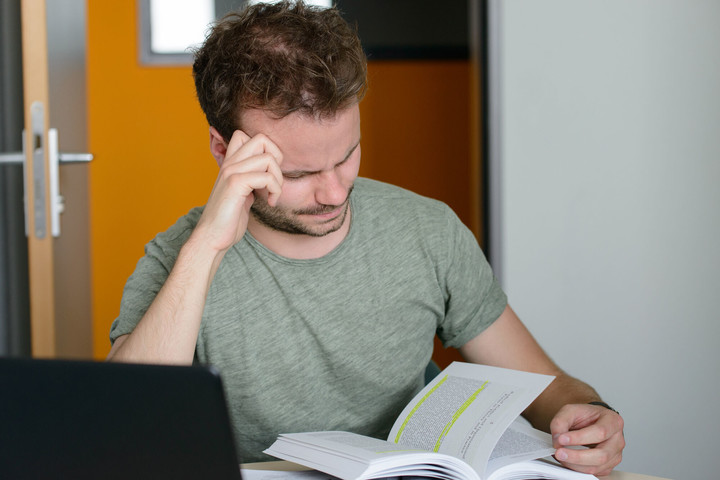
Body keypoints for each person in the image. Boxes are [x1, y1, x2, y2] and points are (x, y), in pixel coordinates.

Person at [107, 1, 624, 475]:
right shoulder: (180, 255)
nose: (334, 192)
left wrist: (590, 417)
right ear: (226, 152)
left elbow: (546, 385)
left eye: (347, 155)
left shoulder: (427, 230)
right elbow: (126, 420)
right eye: (299, 173)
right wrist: (208, 248)